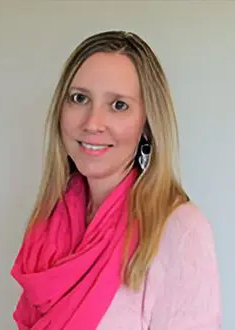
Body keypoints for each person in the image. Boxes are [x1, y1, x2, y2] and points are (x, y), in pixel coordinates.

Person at [11, 30, 221, 330]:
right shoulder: (49, 221)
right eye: (79, 98)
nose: (92, 123)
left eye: (118, 105)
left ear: (147, 124)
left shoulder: (178, 229)